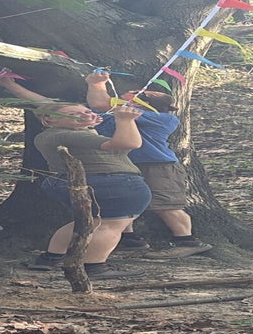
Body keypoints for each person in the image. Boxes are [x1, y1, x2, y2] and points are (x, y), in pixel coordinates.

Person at [85, 72, 212, 258]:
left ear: (142, 104)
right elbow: (96, 108)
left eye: (128, 99)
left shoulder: (164, 119)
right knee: (126, 201)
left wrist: (97, 84)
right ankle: (129, 239)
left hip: (158, 166)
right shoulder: (118, 116)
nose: (121, 101)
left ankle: (187, 241)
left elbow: (101, 104)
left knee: (165, 204)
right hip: (125, 164)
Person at [27, 102, 152, 279]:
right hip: (112, 184)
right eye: (74, 114)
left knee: (88, 222)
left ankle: (51, 258)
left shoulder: (57, 135)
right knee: (110, 225)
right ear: (49, 118)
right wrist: (125, 120)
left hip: (78, 182)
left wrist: (89, 124)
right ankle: (94, 266)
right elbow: (128, 143)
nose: (86, 114)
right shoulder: (65, 135)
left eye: (87, 111)